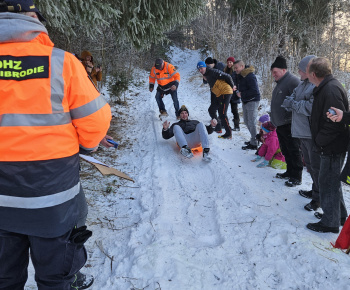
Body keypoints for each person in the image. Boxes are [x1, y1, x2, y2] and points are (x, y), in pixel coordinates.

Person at [0, 2, 111, 289]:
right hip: (53, 199)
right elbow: (96, 120)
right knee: (56, 279)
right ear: (35, 18)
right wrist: (88, 145)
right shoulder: (62, 62)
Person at [306, 57, 349, 233]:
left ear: (314, 74)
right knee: (332, 182)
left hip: (332, 145)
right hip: (330, 144)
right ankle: (338, 215)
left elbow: (334, 123)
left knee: (327, 183)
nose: (307, 75)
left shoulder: (330, 90)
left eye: (308, 72)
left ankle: (330, 222)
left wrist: (319, 141)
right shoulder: (326, 86)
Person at [281, 55, 320, 211]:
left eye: (301, 69)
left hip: (310, 133)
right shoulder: (302, 84)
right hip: (300, 131)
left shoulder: (314, 86)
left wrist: (294, 104)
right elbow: (288, 99)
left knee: (315, 167)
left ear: (308, 70)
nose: (298, 71)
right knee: (310, 165)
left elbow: (310, 107)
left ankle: (318, 199)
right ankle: (314, 190)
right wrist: (295, 103)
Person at [270, 56, 303, 187]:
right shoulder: (281, 81)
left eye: (275, 72)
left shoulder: (293, 81)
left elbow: (299, 101)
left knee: (294, 149)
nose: (273, 75)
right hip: (281, 124)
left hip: (290, 123)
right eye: (272, 72)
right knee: (286, 150)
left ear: (284, 70)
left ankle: (297, 176)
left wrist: (289, 116)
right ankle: (289, 172)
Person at [197, 61, 234, 139]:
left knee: (222, 114)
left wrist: (232, 86)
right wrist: (205, 78)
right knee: (211, 109)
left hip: (225, 92)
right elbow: (206, 81)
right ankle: (218, 127)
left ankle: (228, 133)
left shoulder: (212, 71)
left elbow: (227, 76)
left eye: (201, 68)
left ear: (205, 67)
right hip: (219, 94)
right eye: (199, 69)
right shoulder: (206, 74)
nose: (200, 70)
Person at [233, 60, 261, 149]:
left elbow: (255, 90)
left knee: (251, 122)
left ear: (242, 66)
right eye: (234, 68)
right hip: (245, 100)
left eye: (236, 68)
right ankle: (254, 139)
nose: (235, 69)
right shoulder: (241, 75)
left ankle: (255, 143)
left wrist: (241, 94)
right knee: (246, 121)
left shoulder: (250, 76)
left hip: (252, 100)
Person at [204, 57, 226, 132]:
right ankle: (217, 122)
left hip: (221, 92)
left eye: (208, 65)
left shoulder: (219, 67)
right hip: (213, 91)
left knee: (215, 109)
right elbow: (205, 82)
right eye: (206, 65)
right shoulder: (208, 70)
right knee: (214, 107)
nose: (207, 66)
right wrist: (205, 78)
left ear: (213, 63)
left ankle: (219, 125)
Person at [224, 56, 241, 131]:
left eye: (230, 62)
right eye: (228, 62)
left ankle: (237, 126)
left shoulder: (236, 72)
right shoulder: (225, 71)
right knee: (223, 109)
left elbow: (238, 82)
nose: (229, 64)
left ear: (233, 63)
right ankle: (224, 124)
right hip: (227, 93)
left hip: (234, 94)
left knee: (234, 110)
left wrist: (237, 90)